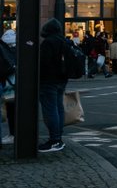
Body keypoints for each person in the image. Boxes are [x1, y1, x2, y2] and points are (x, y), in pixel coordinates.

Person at [38, 18, 69, 152]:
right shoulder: (64, 41)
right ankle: (58, 138)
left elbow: (43, 62)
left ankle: (54, 140)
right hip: (62, 79)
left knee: (50, 110)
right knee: (58, 108)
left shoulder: (48, 42)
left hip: (48, 80)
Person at [0, 28, 16, 145]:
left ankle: (12, 134)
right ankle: (15, 134)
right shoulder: (19, 49)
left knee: (11, 110)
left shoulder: (5, 50)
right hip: (17, 84)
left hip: (9, 85)